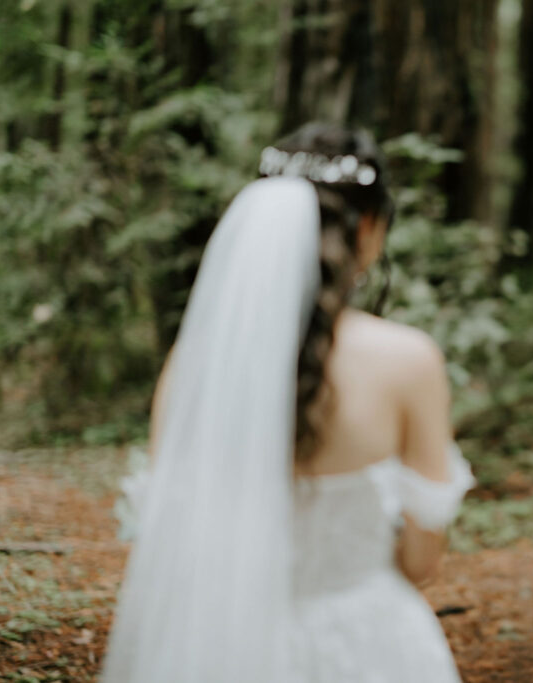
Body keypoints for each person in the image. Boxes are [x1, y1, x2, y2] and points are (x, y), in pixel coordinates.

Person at [102, 123, 473, 682]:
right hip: (365, 645)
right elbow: (422, 563)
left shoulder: (194, 362)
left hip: (219, 645)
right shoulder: (407, 361)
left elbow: (171, 538)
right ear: (369, 230)